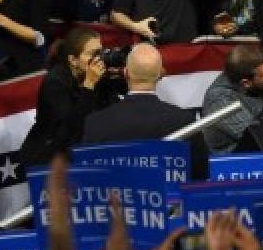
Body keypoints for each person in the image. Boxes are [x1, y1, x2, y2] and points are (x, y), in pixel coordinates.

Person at [80, 43, 207, 175]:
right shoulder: (185, 123)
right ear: (161, 74)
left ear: (125, 72)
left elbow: (88, 178)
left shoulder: (96, 123)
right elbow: (200, 177)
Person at [16, 27, 118, 167]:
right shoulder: (55, 82)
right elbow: (71, 128)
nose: (99, 59)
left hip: (78, 154)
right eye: (93, 54)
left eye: (100, 52)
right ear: (73, 60)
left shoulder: (97, 76)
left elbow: (115, 111)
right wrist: (89, 85)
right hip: (46, 159)